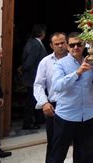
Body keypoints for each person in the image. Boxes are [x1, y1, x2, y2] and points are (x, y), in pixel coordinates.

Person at [51, 33, 93, 163]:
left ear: (84, 45)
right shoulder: (60, 64)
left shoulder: (91, 61)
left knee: (86, 155)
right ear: (67, 47)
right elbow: (58, 86)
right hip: (66, 116)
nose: (76, 47)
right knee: (58, 155)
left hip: (88, 116)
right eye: (72, 45)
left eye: (79, 44)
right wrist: (77, 73)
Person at [33, 32, 68, 163]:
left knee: (77, 141)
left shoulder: (76, 59)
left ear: (67, 42)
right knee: (54, 143)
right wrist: (44, 103)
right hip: (54, 106)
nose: (60, 46)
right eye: (56, 44)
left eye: (62, 43)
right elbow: (38, 85)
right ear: (51, 46)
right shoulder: (45, 62)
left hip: (73, 106)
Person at [21, 24, 47, 130]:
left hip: (33, 76)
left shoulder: (32, 42)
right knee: (31, 101)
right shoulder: (35, 44)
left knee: (36, 99)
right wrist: (23, 69)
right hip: (33, 77)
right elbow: (30, 61)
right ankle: (28, 123)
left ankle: (39, 119)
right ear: (41, 33)